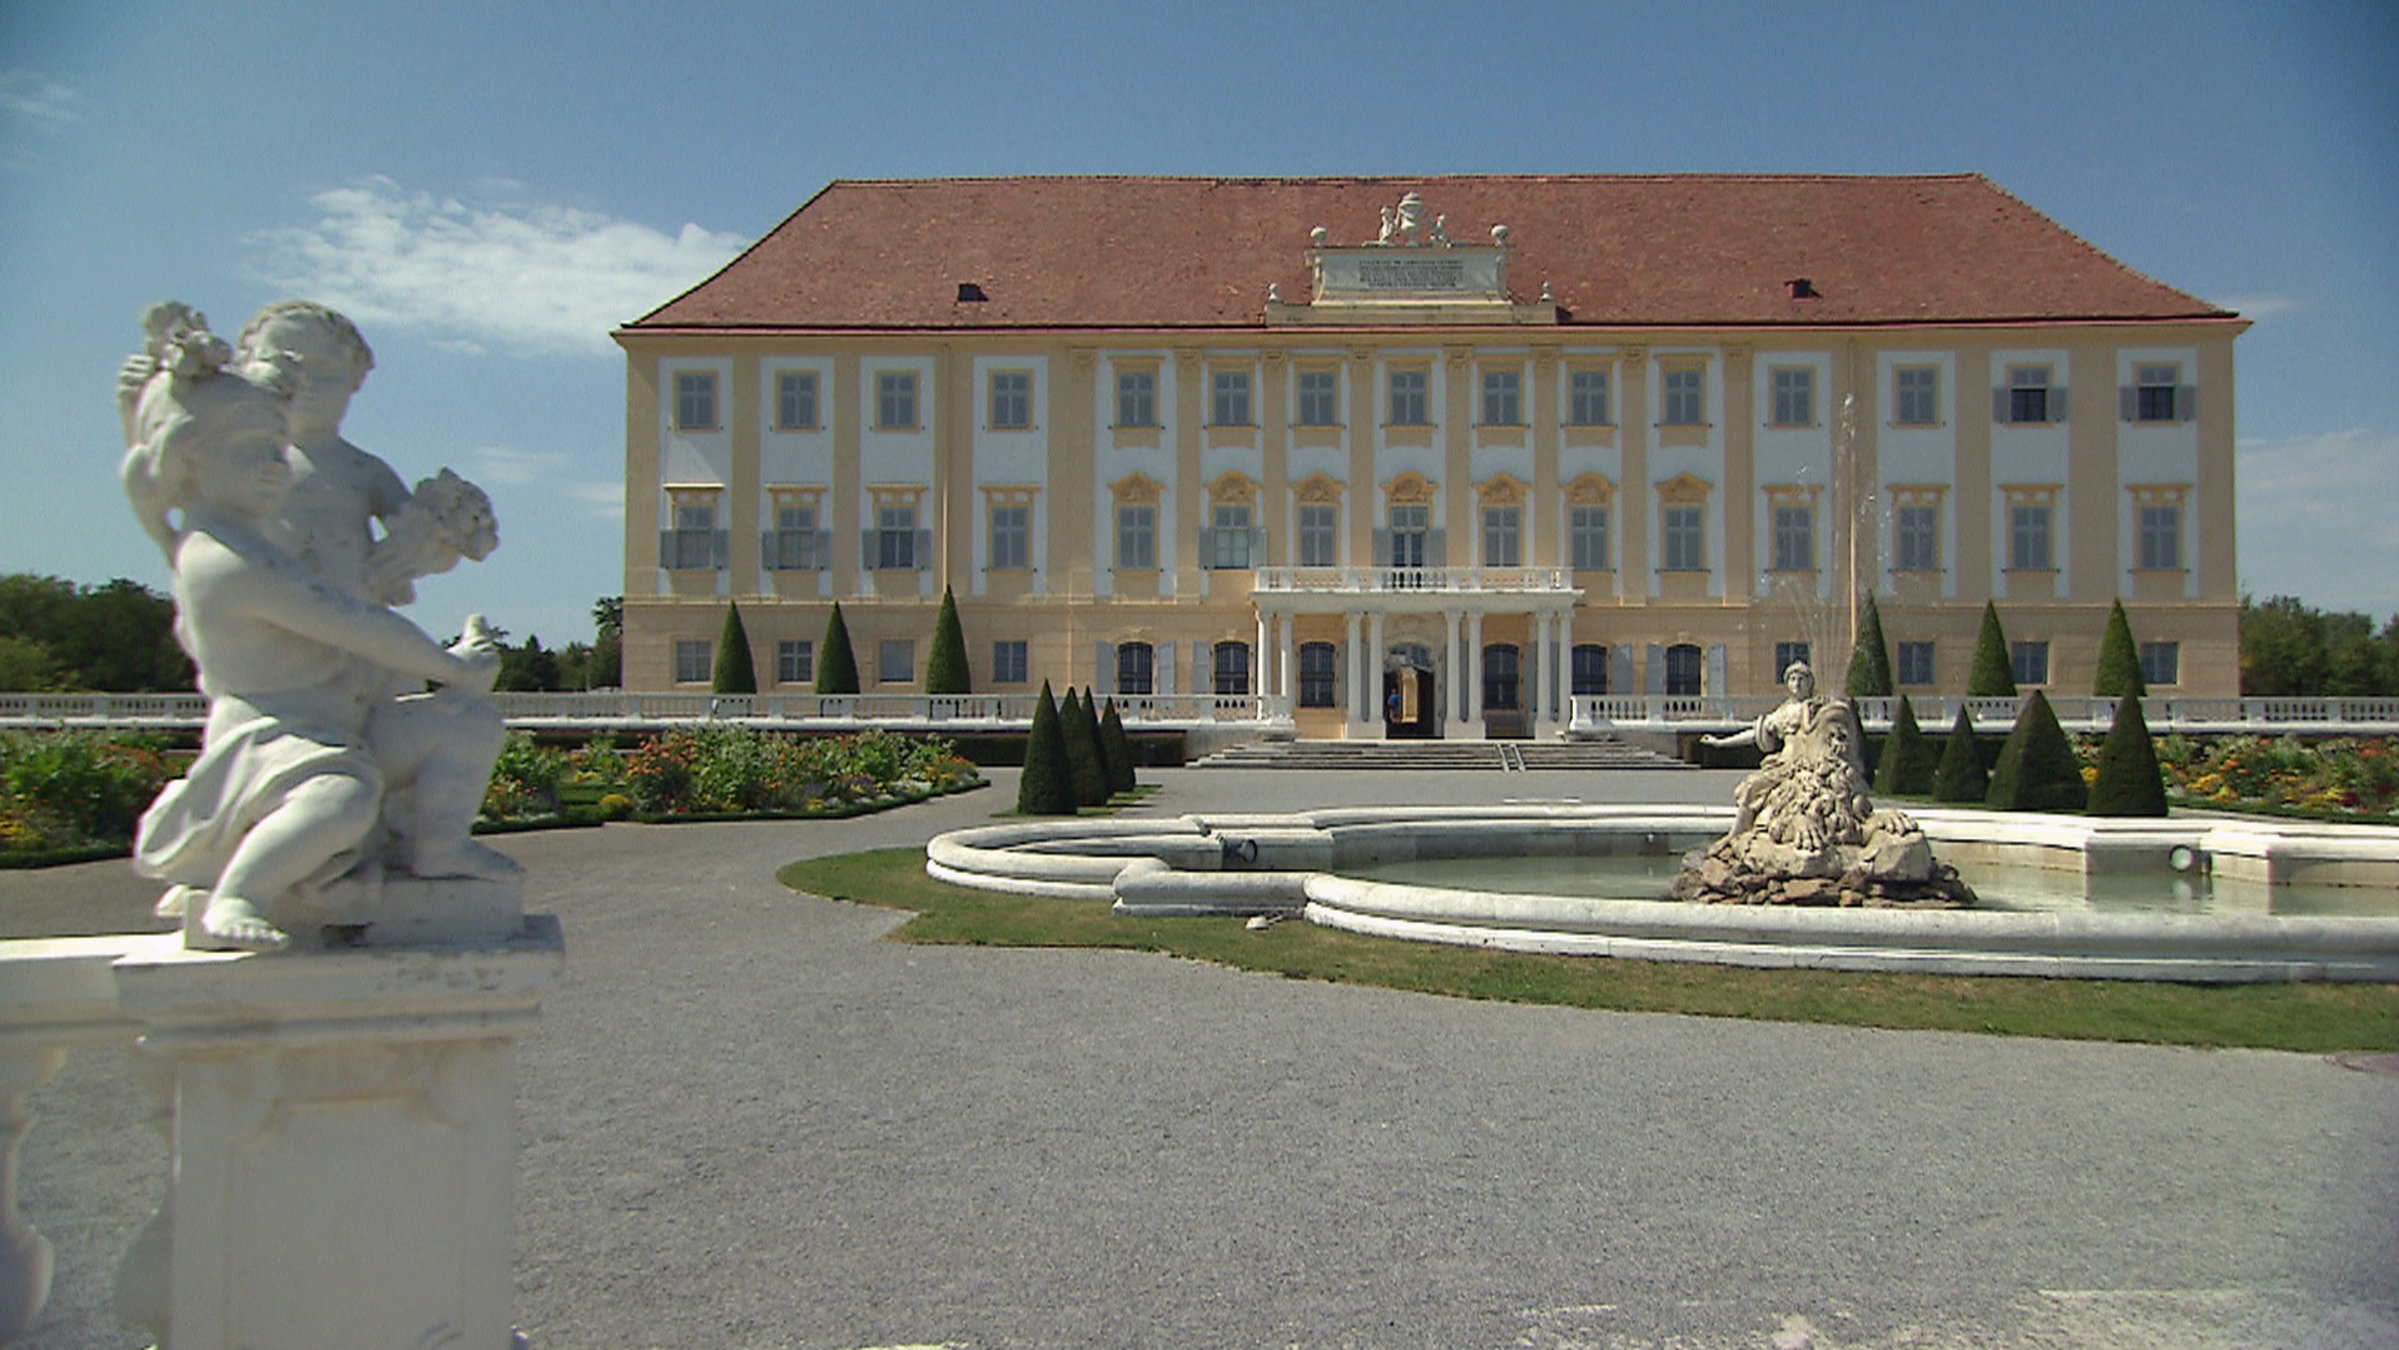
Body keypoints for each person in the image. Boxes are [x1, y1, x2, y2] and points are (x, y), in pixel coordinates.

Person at [121, 326, 501, 951]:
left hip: (353, 699)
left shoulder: (352, 473)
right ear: (189, 461)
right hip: (282, 738)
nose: (278, 465)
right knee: (342, 799)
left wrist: (427, 545)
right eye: (260, 449)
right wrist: (449, 665)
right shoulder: (225, 556)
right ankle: (240, 892)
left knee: (469, 725)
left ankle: (438, 848)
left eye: (279, 448)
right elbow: (353, 622)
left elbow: (396, 564)